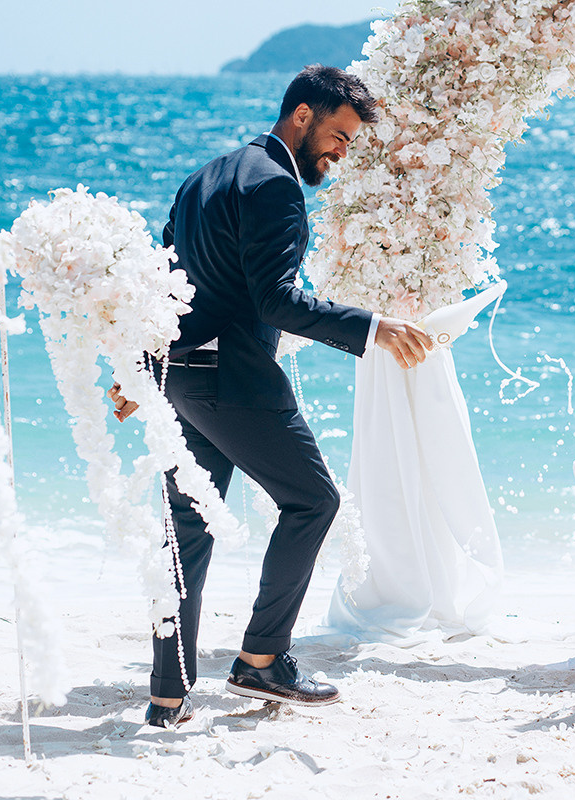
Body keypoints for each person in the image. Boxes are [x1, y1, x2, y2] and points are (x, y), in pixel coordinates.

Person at [108, 65, 432, 728]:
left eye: (349, 142)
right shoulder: (275, 185)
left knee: (186, 530)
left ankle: (167, 695)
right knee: (314, 501)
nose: (341, 152)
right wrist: (373, 326)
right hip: (234, 378)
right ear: (302, 114)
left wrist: (139, 365)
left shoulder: (202, 179)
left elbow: (164, 280)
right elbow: (275, 301)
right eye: (339, 135)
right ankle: (261, 658)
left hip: (180, 376)